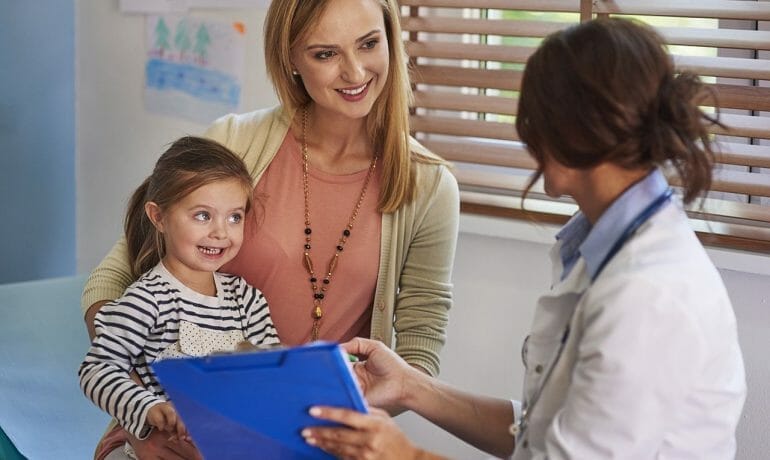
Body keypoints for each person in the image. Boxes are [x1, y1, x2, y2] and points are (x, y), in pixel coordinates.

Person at [300, 18, 746, 460]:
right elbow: (541, 432)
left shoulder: (647, 296)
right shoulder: (608, 247)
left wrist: (406, 456)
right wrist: (412, 387)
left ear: (572, 130)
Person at [81, 0, 459, 458]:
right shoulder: (235, 142)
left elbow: (416, 359)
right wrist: (147, 415)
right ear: (292, 60)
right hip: (177, 435)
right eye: (325, 54)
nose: (355, 71)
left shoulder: (430, 186)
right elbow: (112, 279)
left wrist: (300, 425)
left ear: (391, 39)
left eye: (369, 44)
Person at [79, 136, 279, 460]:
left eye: (234, 217)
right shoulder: (146, 299)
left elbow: (272, 375)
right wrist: (148, 408)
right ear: (158, 217)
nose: (221, 232)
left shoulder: (248, 301)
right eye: (203, 215)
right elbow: (97, 369)